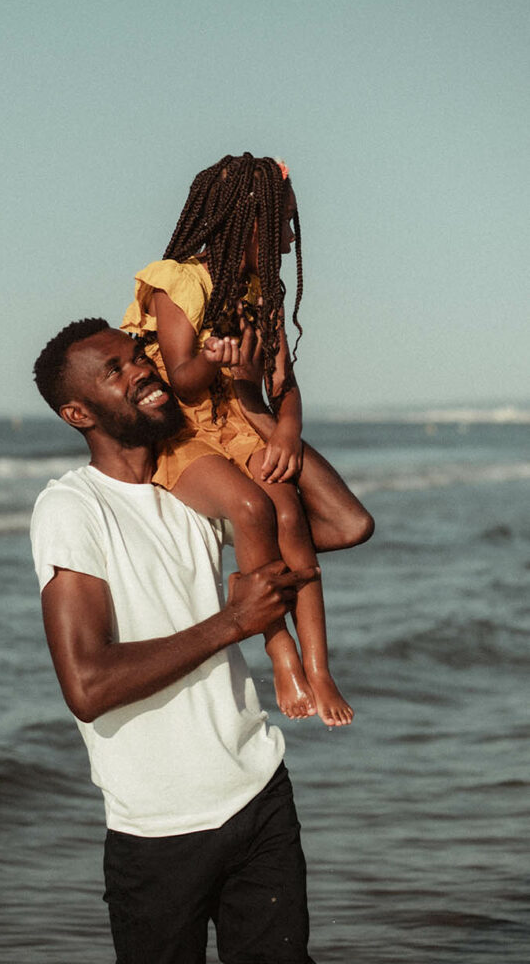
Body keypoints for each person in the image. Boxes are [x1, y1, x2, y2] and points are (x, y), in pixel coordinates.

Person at [31, 317, 320, 963]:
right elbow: (87, 685)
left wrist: (255, 404)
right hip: (158, 826)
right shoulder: (73, 508)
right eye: (115, 370)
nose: (141, 369)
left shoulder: (195, 484)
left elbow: (342, 522)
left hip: (257, 789)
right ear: (77, 412)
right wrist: (231, 623)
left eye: (137, 356)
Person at [121, 152, 374, 726]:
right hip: (187, 432)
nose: (289, 234)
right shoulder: (179, 280)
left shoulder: (266, 293)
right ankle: (280, 650)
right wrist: (214, 360)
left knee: (286, 512)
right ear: (246, 217)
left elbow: (285, 383)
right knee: (252, 506)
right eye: (282, 221)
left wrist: (287, 429)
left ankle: (321, 664)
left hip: (244, 422)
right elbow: (183, 381)